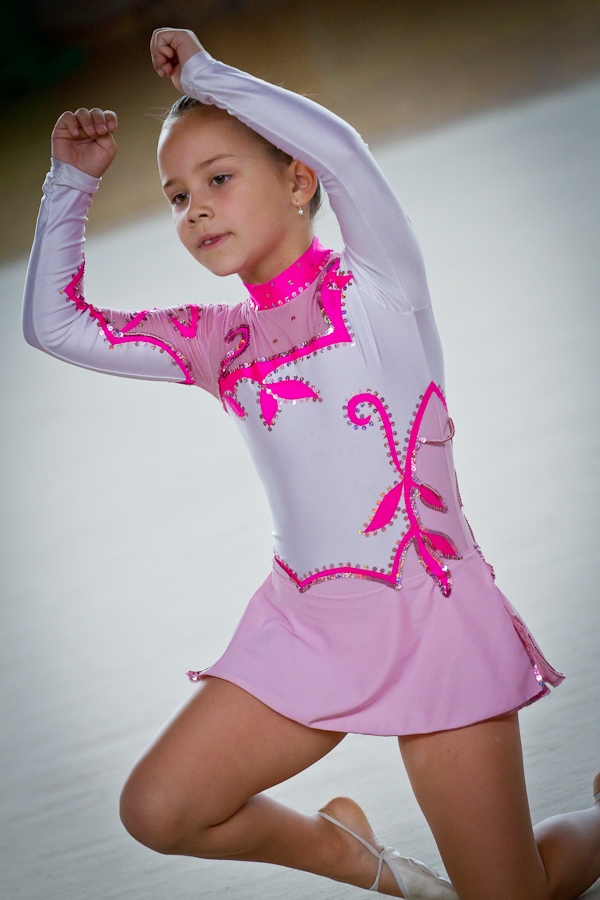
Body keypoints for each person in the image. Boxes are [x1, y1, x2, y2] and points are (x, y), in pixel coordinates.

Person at [22, 25, 600, 899]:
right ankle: (348, 852)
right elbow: (55, 326)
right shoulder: (218, 342)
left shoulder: (380, 287)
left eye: (218, 179)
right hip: (305, 631)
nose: (195, 209)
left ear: (298, 182)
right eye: (177, 196)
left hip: (433, 623)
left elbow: (345, 154)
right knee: (161, 809)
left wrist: (211, 75)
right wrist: (70, 183)